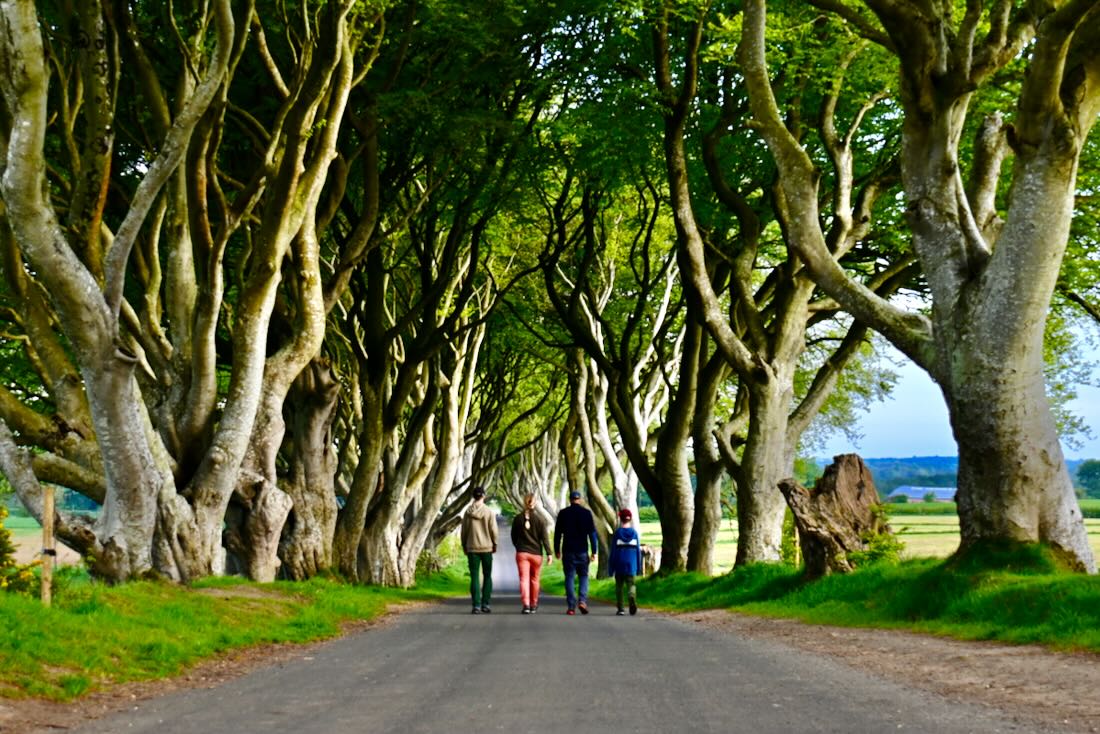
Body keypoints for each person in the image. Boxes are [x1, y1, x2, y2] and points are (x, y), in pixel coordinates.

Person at [554, 490, 598, 615]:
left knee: (569, 577)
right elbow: (592, 534)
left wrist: (556, 549)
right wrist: (594, 551)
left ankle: (571, 606)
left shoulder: (563, 513)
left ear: (570, 499)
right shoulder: (586, 513)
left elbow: (558, 534)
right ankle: (582, 601)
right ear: (580, 499)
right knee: (584, 576)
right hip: (582, 551)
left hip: (568, 550)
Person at [510, 493, 553, 614]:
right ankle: (534, 604)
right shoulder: (540, 520)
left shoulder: (518, 519)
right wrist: (549, 553)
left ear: (524, 502)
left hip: (522, 553)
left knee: (524, 579)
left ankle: (526, 605)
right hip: (536, 554)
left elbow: (513, 536)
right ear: (535, 503)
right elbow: (545, 538)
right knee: (535, 579)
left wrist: (519, 547)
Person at [460, 486, 497, 614]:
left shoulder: (467, 512)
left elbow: (463, 530)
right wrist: (495, 544)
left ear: (473, 496)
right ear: (484, 496)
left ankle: (476, 605)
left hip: (472, 548)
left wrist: (464, 545)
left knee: (474, 576)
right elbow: (494, 530)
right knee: (487, 576)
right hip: (487, 548)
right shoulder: (489, 512)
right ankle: (485, 604)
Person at [609, 508, 642, 616]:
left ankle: (621, 609)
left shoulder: (618, 533)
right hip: (631, 564)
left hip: (619, 563)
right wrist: (639, 567)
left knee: (619, 586)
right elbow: (637, 551)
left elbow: (613, 551)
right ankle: (631, 595)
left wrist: (611, 568)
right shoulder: (634, 533)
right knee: (631, 584)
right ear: (630, 519)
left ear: (620, 519)